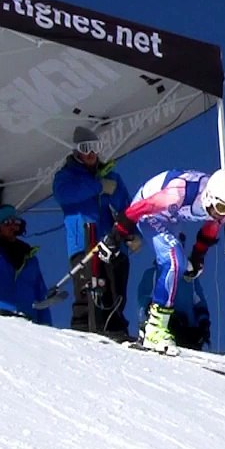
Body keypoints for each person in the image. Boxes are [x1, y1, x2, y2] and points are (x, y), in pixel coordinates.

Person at [101, 167, 225, 355]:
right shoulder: (178, 193)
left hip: (171, 217)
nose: (223, 215)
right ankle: (155, 328)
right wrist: (116, 235)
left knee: (178, 263)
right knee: (174, 260)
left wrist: (197, 257)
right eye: (223, 209)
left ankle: (152, 328)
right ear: (210, 197)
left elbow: (210, 229)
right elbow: (139, 209)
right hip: (148, 209)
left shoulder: (221, 204)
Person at [51, 125, 135, 340]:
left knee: (115, 288)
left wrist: (132, 233)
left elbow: (127, 207)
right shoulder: (67, 176)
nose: (90, 153)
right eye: (85, 148)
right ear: (77, 151)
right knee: (88, 289)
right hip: (84, 243)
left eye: (94, 148)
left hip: (112, 241)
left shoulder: (111, 177)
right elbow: (64, 195)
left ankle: (115, 329)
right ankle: (83, 330)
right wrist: (97, 186)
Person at [0, 204, 53, 325]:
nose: (12, 226)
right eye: (7, 222)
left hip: (30, 325)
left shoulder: (30, 258)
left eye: (16, 221)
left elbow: (41, 296)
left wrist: (46, 327)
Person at [134, 233, 212, 351]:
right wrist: (148, 316)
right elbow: (143, 300)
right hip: (163, 326)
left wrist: (203, 322)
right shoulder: (153, 274)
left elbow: (199, 303)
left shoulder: (190, 280)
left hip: (187, 331)